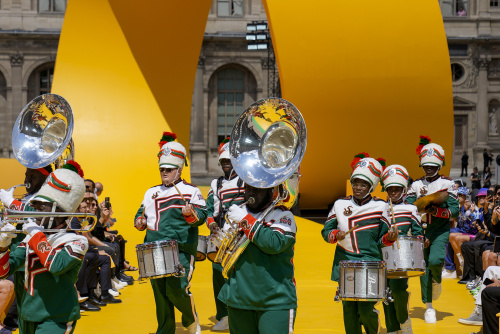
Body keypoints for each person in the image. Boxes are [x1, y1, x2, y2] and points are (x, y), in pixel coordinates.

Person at [0, 161, 89, 334]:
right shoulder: (30, 238)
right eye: (35, 206)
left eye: (41, 206)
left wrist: (35, 235)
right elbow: (4, 271)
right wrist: (2, 247)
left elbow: (56, 265)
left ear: (58, 211)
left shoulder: (76, 240)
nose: (34, 211)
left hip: (56, 317)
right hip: (27, 315)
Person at [134, 132, 207, 334]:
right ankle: (164, 330)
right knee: (160, 295)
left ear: (179, 170)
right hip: (153, 249)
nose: (164, 172)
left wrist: (190, 213)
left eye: (168, 169)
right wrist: (139, 222)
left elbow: (202, 215)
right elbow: (139, 216)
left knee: (177, 290)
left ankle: (190, 319)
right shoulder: (150, 192)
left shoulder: (191, 191)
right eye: (161, 169)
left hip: (180, 250)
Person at [321, 154, 398, 334]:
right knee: (349, 310)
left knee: (365, 310)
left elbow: (382, 239)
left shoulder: (381, 206)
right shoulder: (340, 204)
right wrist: (335, 234)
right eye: (355, 183)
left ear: (371, 187)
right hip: (345, 260)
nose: (358, 187)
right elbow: (326, 232)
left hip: (370, 262)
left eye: (363, 184)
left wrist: (391, 238)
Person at [218, 183, 297, 334]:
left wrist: (244, 220)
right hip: (239, 299)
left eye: (257, 189)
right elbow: (225, 254)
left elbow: (273, 244)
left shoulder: (282, 215)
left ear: (269, 191)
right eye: (248, 189)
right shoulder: (238, 213)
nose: (251, 193)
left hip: (275, 300)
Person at [406, 137, 459, 324]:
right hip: (421, 231)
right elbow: (408, 206)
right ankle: (428, 307)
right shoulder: (415, 185)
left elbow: (455, 210)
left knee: (435, 261)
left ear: (439, 165)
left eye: (433, 165)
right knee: (423, 269)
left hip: (439, 231)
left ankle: (438, 279)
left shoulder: (448, 184)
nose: (429, 168)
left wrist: (436, 210)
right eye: (426, 165)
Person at [205, 138, 245, 331]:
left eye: (229, 160)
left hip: (242, 235)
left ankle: (239, 313)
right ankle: (223, 315)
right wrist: (211, 224)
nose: (226, 164)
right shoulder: (215, 184)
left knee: (239, 274)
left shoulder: (247, 180)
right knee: (217, 272)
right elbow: (207, 211)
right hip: (222, 235)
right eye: (223, 161)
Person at [380, 164, 423, 334]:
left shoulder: (411, 209)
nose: (393, 193)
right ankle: (392, 329)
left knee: (398, 291)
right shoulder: (379, 209)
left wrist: (422, 240)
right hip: (382, 255)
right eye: (390, 189)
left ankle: (404, 323)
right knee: (385, 294)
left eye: (397, 189)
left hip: (401, 256)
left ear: (404, 190)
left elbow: (419, 232)